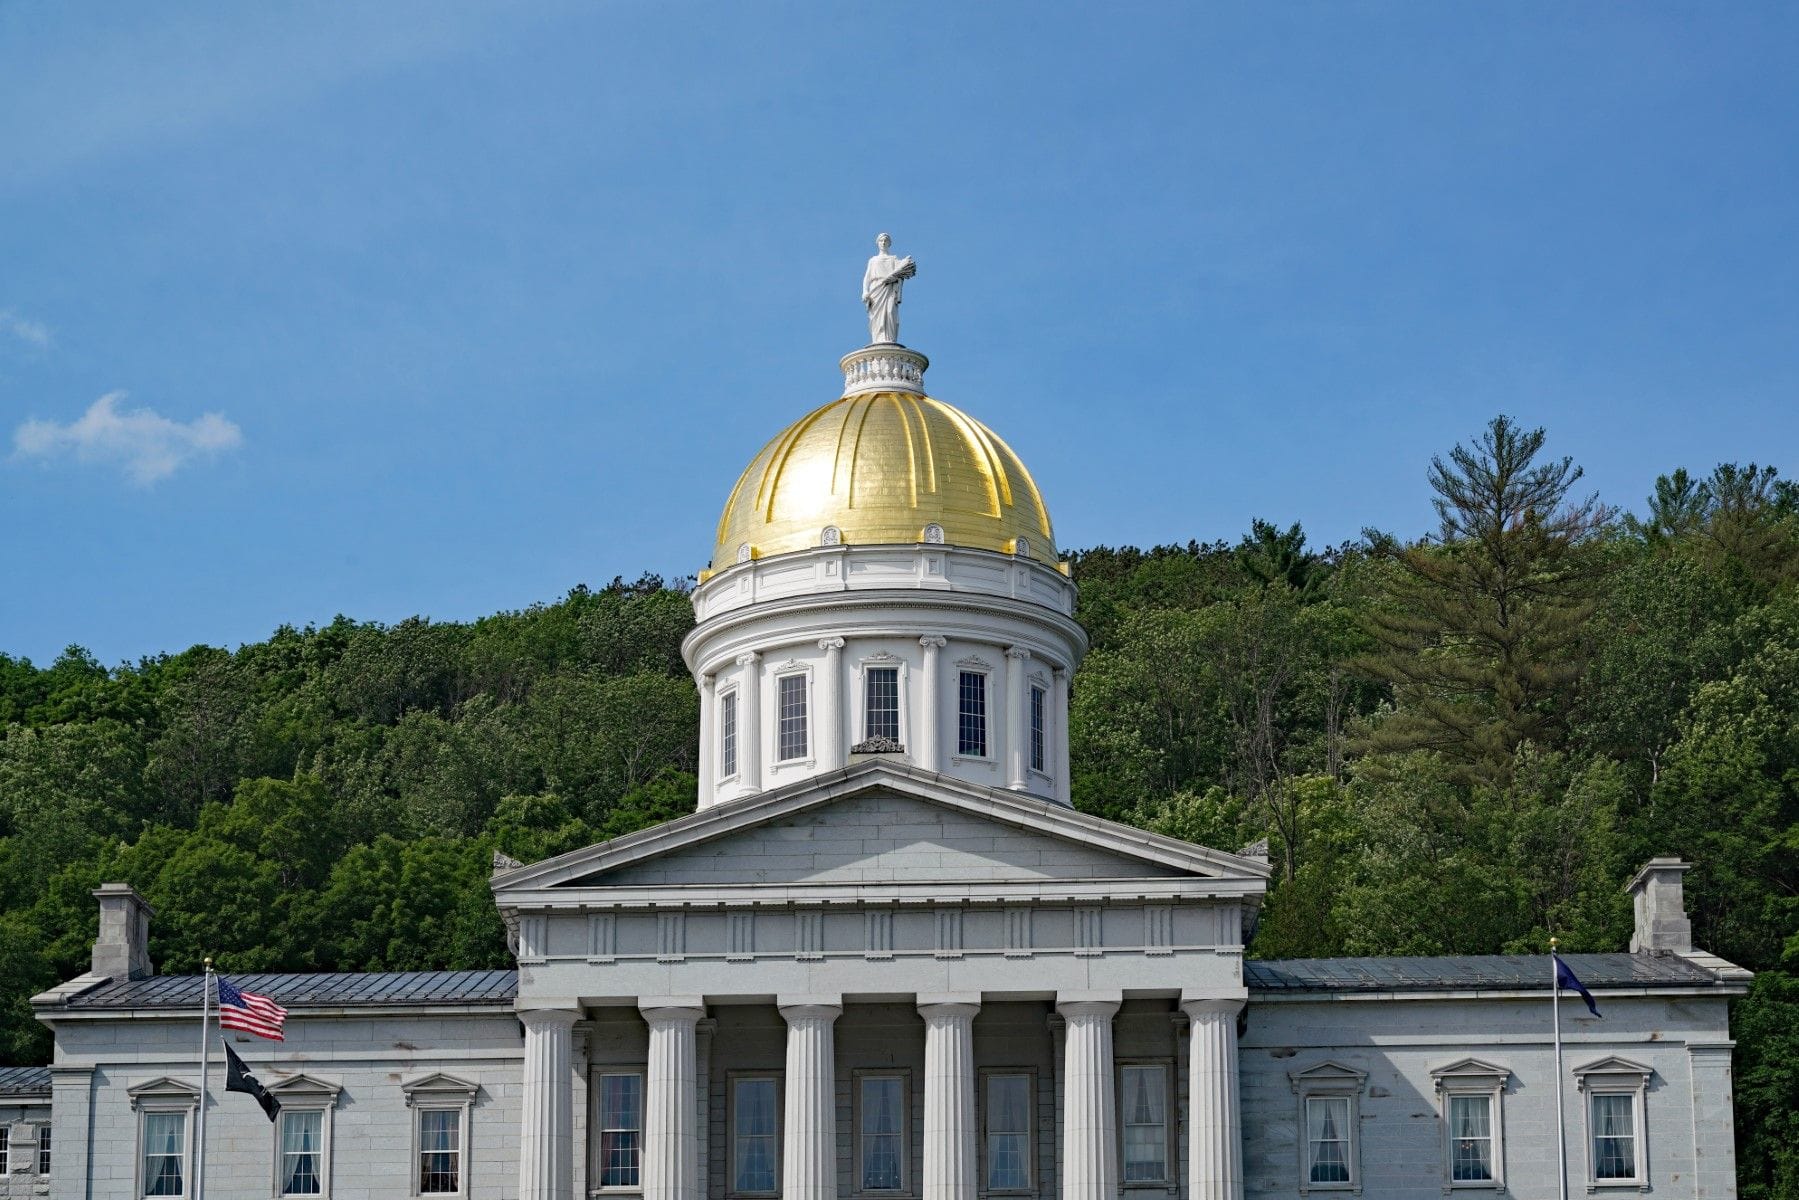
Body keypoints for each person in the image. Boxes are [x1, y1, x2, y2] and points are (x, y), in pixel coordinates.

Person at [861, 232, 916, 344]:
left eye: (886, 240)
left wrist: (905, 264)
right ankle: (878, 339)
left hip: (890, 288)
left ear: (889, 243)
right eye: (881, 240)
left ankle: (889, 338)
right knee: (876, 315)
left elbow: (902, 270)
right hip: (876, 288)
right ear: (877, 243)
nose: (883, 242)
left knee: (890, 312)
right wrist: (865, 291)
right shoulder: (873, 260)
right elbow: (867, 277)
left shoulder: (893, 259)